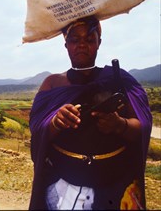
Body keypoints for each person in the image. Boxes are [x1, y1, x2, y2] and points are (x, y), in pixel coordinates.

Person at [28, 16, 152, 210]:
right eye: (75, 40)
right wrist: (56, 122)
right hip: (65, 190)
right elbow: (37, 130)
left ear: (98, 43)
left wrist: (120, 125)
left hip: (117, 188)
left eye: (89, 39)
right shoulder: (52, 84)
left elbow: (143, 127)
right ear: (66, 45)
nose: (82, 45)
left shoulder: (119, 79)